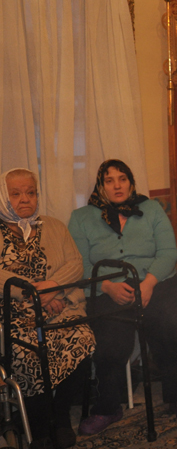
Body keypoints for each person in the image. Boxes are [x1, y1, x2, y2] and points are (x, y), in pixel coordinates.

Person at [68, 159, 177, 435]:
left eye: (123, 179)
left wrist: (149, 284)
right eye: (109, 180)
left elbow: (168, 252)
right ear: (100, 185)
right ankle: (108, 407)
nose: (117, 185)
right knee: (110, 342)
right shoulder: (81, 218)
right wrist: (108, 287)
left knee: (168, 328)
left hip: (154, 282)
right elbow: (79, 264)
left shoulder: (151, 208)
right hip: (107, 288)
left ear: (131, 183)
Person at [0, 169, 94, 449]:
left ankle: (60, 416)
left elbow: (75, 263)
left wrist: (54, 287)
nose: (25, 199)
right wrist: (35, 294)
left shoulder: (54, 226)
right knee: (28, 353)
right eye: (16, 194)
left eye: (31, 192)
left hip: (58, 306)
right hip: (14, 314)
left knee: (83, 338)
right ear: (4, 197)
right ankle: (39, 425)